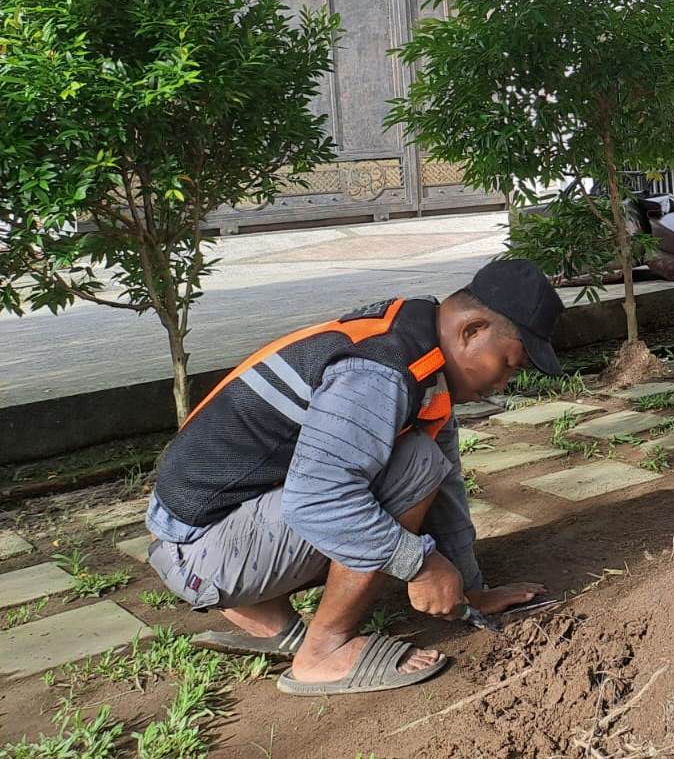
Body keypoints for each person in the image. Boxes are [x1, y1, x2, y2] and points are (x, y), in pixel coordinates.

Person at [142, 259, 561, 696]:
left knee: (420, 464)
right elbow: (317, 501)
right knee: (412, 465)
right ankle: (322, 652)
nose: (505, 382)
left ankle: (261, 611)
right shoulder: (378, 371)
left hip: (224, 528)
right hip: (198, 552)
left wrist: (469, 589)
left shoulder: (419, 352)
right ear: (471, 331)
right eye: (509, 364)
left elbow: (446, 487)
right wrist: (420, 564)